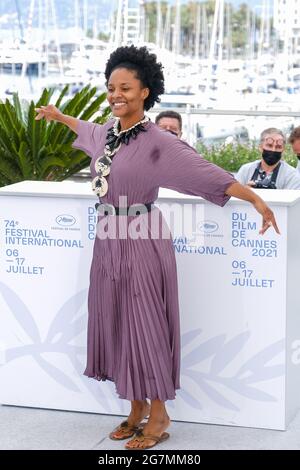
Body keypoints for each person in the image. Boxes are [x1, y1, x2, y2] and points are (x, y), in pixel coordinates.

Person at [35, 45, 279, 450]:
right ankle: (134, 408)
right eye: (111, 87)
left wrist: (255, 199)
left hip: (143, 237)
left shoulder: (158, 141)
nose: (116, 94)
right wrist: (59, 117)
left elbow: (204, 171)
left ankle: (159, 412)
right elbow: (85, 130)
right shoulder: (108, 132)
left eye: (126, 88)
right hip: (108, 239)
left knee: (145, 324)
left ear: (145, 91)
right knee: (114, 320)